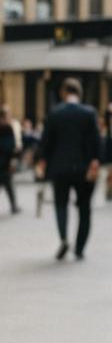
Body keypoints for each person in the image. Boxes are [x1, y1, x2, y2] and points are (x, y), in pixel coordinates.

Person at [38, 77, 101, 260]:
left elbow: (46, 142)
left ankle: (64, 238)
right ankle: (80, 247)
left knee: (61, 204)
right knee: (84, 209)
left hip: (60, 167)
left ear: (63, 93)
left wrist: (42, 161)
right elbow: (97, 141)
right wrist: (95, 161)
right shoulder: (89, 113)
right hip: (84, 168)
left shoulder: (55, 113)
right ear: (79, 93)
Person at [0, 106, 21, 217]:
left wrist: (12, 159)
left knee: (6, 186)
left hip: (5, 163)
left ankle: (11, 206)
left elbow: (10, 147)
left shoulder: (7, 129)